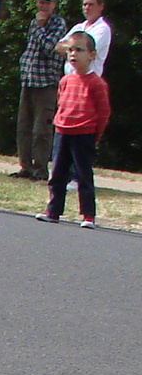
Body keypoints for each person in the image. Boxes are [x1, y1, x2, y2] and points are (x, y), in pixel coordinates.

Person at [36, 30, 110, 229]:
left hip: (84, 134)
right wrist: (59, 123)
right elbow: (61, 103)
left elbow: (103, 112)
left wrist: (96, 135)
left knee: (83, 174)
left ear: (92, 55)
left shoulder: (96, 83)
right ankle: (53, 210)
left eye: (79, 50)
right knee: (57, 173)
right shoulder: (66, 80)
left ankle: (88, 215)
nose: (73, 54)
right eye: (70, 50)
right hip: (62, 132)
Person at [10, 0, 68, 181]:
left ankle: (40, 168)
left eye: (47, 2)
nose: (43, 5)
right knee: (23, 126)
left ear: (54, 4)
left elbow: (50, 48)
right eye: (41, 1)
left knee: (41, 128)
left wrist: (41, 27)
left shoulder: (58, 24)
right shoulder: (34, 22)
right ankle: (25, 166)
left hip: (46, 82)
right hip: (29, 78)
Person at [55, 0, 112, 77]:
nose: (87, 7)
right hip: (71, 78)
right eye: (84, 4)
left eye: (91, 4)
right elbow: (58, 47)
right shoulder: (78, 27)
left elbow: (87, 52)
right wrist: (78, 49)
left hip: (89, 80)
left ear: (101, 6)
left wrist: (69, 48)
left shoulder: (103, 29)